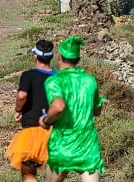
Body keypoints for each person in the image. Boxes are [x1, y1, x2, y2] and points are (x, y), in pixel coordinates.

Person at [39, 36, 106, 182]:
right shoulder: (90, 80)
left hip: (62, 144)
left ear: (59, 56)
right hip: (87, 145)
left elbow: (58, 106)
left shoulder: (54, 81)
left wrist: (46, 120)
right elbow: (97, 111)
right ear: (78, 59)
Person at [6, 40, 56, 182]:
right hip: (56, 132)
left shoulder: (28, 75)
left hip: (33, 129)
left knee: (28, 173)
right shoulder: (59, 77)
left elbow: (22, 95)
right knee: (54, 175)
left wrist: (18, 110)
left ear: (35, 55)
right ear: (51, 57)